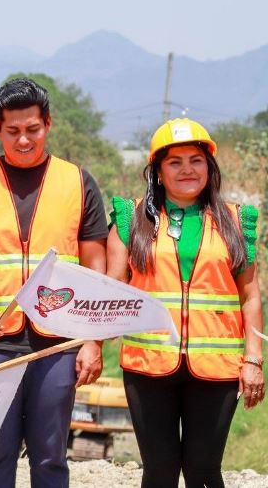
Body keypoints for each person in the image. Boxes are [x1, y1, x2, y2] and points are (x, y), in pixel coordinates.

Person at [0, 77, 108, 488]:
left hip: (60, 343)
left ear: (48, 124)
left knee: (50, 457)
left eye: (32, 129)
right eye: (12, 131)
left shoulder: (77, 182)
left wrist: (93, 341)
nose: (23, 140)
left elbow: (96, 266)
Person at [107, 118, 264, 488]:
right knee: (159, 471)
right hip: (148, 367)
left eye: (196, 160)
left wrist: (254, 360)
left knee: (204, 471)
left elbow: (250, 295)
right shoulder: (132, 218)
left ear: (209, 167)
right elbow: (111, 290)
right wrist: (89, 344)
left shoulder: (236, 220)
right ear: (158, 172)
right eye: (174, 162)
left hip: (216, 369)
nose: (187, 170)